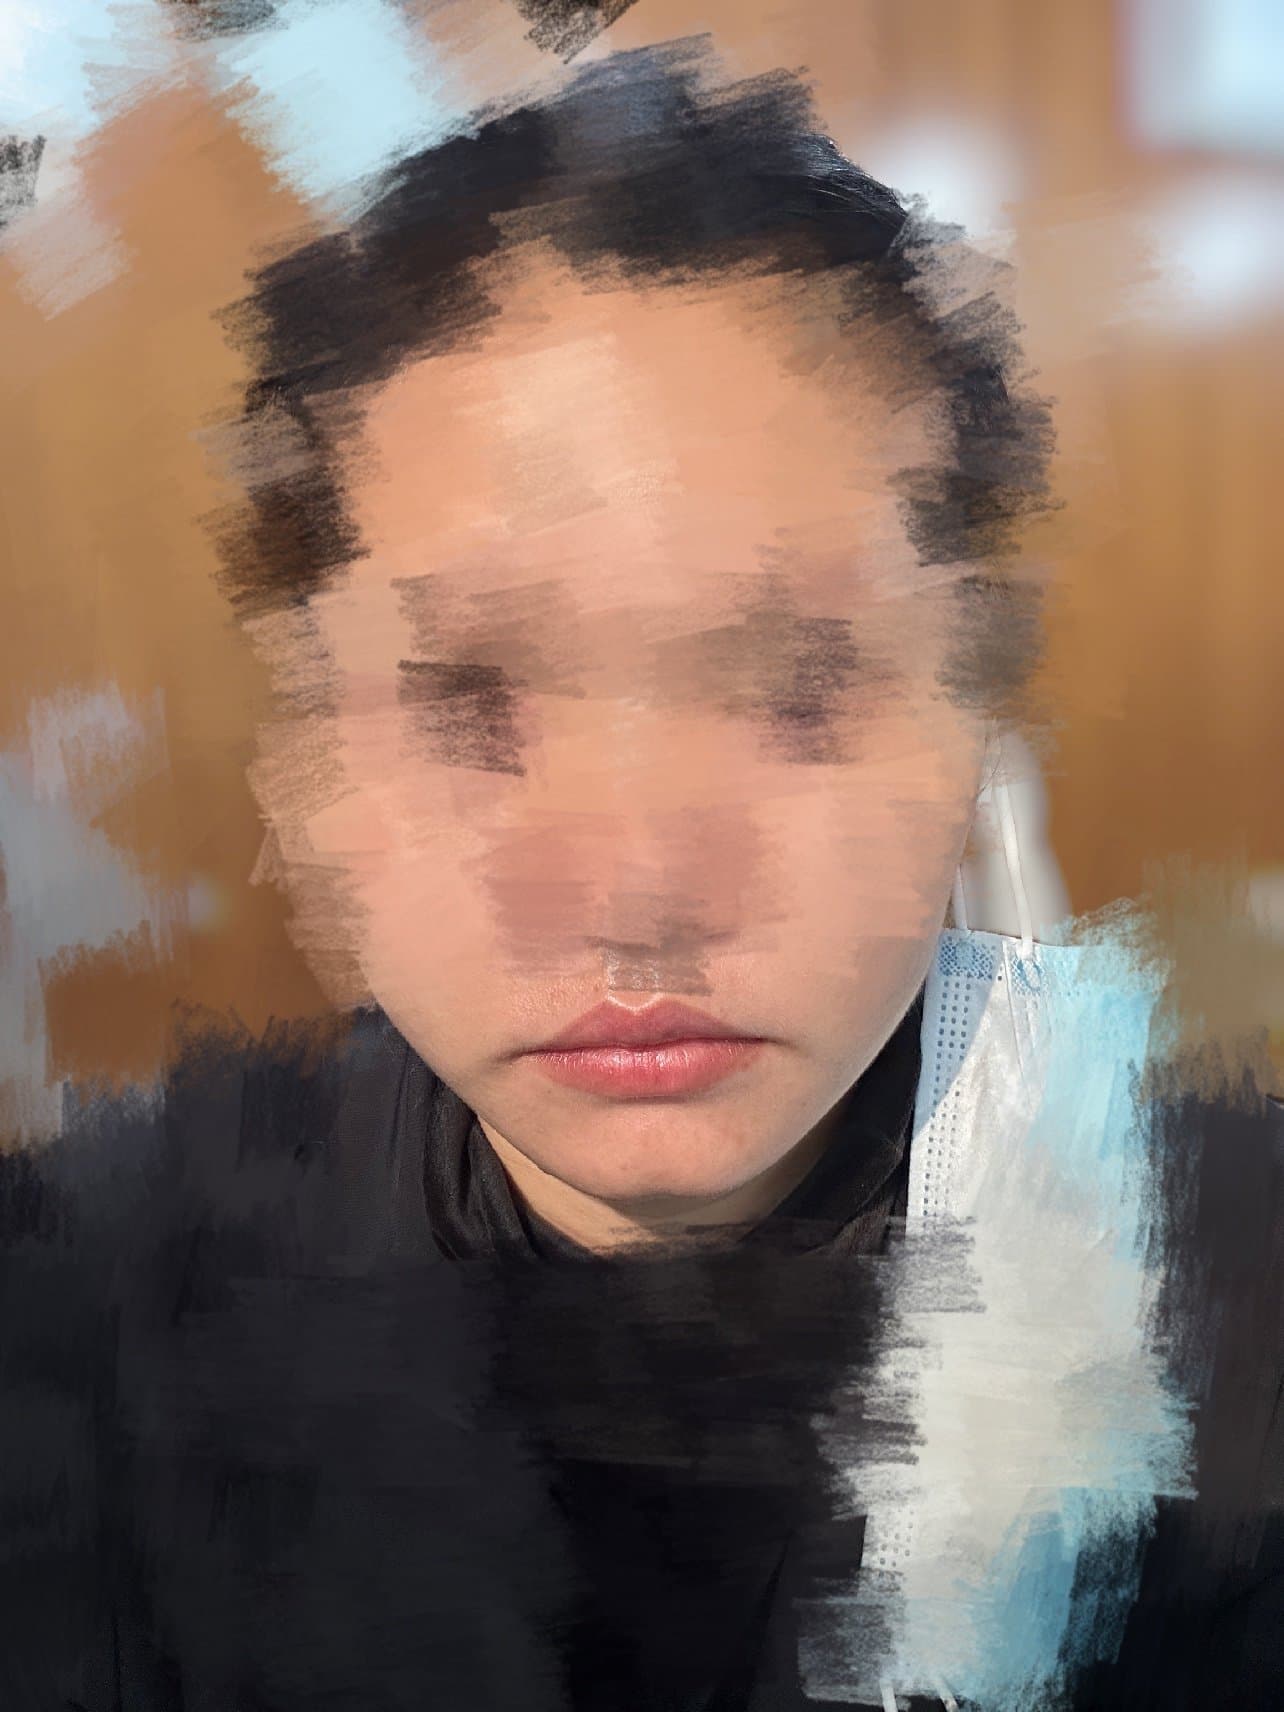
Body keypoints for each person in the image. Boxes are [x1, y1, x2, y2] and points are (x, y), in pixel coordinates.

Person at [1, 39, 1280, 1712]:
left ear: (973, 733)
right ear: (304, 791)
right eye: (465, 705)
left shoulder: (1238, 1306)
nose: (635, 892)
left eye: (799, 688)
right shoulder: (79, 1316)